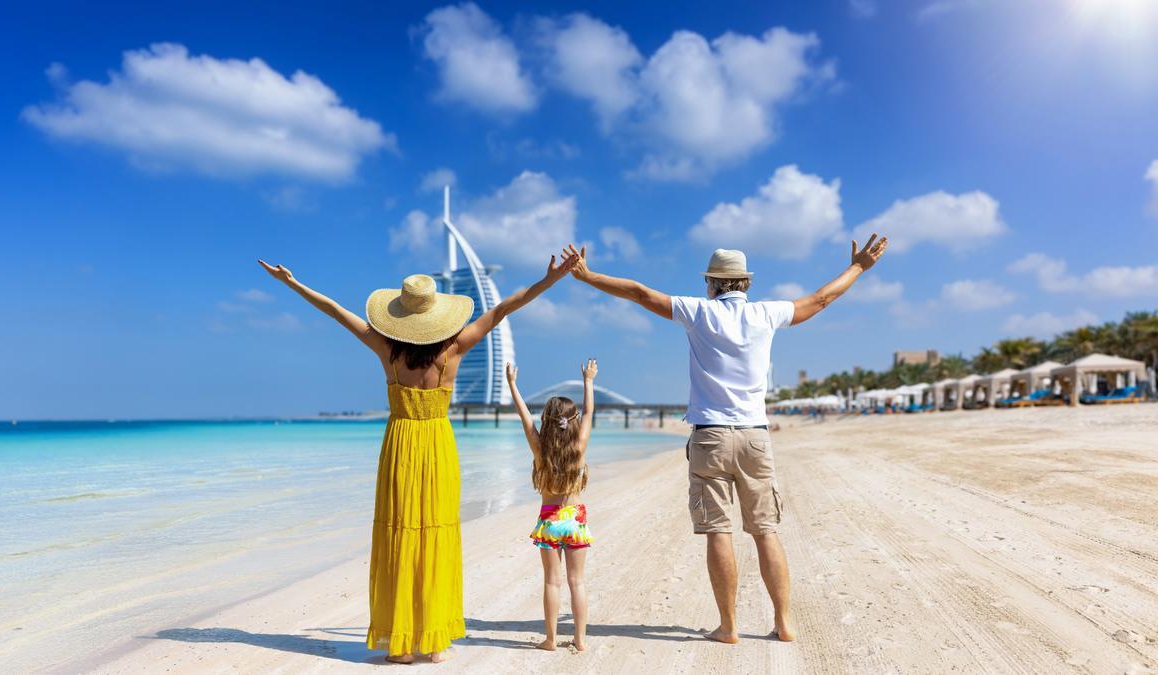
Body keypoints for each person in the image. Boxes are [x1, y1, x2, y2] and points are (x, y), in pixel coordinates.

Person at [559, 234, 888, 644]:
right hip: (755, 437)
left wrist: (587, 276)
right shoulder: (767, 314)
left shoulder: (699, 312)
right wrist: (859, 267)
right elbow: (821, 299)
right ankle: (784, 623)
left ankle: (729, 626)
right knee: (766, 530)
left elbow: (640, 293)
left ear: (711, 284)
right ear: (745, 284)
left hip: (710, 437)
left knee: (719, 531)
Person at [259, 255, 572, 664]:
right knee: (435, 536)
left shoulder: (386, 350)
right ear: (437, 317)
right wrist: (550, 279)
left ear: (401, 318)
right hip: (439, 447)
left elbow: (336, 311)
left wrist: (292, 283)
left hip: (400, 446)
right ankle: (435, 642)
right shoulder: (456, 348)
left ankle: (402, 644)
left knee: (400, 536)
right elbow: (505, 307)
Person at [505, 358, 597, 653]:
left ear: (546, 420)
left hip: (549, 520)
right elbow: (590, 411)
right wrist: (588, 381)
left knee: (552, 583)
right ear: (573, 421)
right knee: (577, 583)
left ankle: (551, 639)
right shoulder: (579, 447)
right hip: (575, 518)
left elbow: (524, 418)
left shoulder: (539, 448)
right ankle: (581, 640)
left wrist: (512, 385)